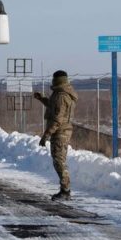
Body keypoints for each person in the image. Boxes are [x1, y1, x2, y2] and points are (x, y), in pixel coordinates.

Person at [33, 70, 78, 200]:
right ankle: (65, 190)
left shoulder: (61, 95)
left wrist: (46, 135)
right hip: (62, 130)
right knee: (59, 160)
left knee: (59, 161)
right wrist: (42, 99)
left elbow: (57, 119)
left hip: (60, 132)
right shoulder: (62, 94)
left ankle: (65, 191)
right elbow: (54, 107)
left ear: (57, 80)